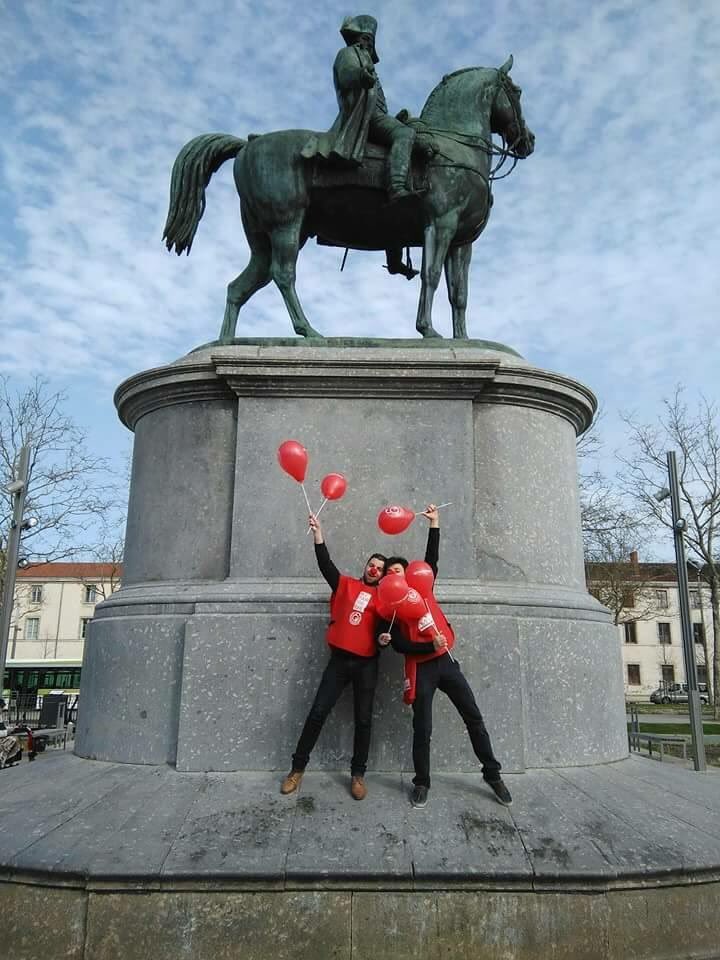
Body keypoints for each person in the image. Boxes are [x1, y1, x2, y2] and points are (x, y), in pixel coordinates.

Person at [379, 505, 512, 809]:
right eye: (389, 574)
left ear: (408, 575)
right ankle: (422, 783)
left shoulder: (424, 589)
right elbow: (400, 645)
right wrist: (428, 646)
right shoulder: (393, 612)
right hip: (422, 669)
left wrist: (434, 524)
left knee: (474, 717)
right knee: (422, 729)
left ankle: (493, 775)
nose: (393, 576)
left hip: (447, 663)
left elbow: (431, 559)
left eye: (397, 571)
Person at [302, 14, 422, 278]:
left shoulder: (367, 60)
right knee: (404, 137)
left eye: (370, 40)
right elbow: (346, 77)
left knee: (411, 134)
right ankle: (398, 187)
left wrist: (396, 117)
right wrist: (361, 76)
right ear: (358, 38)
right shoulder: (348, 54)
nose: (367, 44)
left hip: (378, 117)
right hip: (366, 120)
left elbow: (377, 102)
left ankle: (395, 259)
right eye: (365, 39)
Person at [280, 514, 387, 801]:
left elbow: (387, 634)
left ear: (384, 575)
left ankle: (358, 775)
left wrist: (384, 640)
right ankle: (297, 769)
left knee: (363, 720)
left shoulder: (385, 602)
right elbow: (325, 564)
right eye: (371, 565)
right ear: (365, 567)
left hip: (367, 665)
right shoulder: (346, 585)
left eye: (379, 568)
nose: (374, 570)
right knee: (317, 712)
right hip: (339, 662)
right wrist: (319, 534)